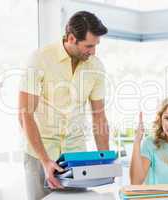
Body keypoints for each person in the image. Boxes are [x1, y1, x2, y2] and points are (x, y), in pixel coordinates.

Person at [18, 11, 109, 200]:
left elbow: (99, 115)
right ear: (71, 38)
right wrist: (45, 160)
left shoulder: (96, 67)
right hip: (39, 154)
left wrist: (105, 159)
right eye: (89, 46)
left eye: (96, 45)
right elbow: (25, 115)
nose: (93, 52)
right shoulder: (40, 59)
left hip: (75, 156)